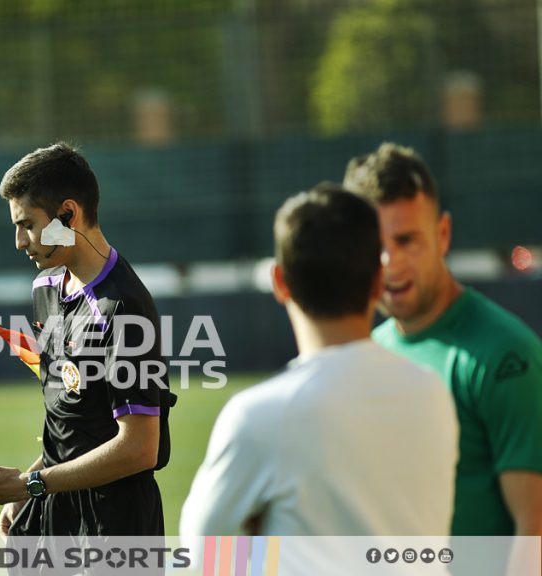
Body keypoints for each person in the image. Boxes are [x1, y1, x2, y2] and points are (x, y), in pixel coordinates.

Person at [179, 185, 459, 537]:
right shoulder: (433, 392)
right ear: (378, 282)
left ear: (280, 283)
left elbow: (204, 553)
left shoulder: (259, 415)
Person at [0, 142, 172, 537]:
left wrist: (30, 486)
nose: (20, 242)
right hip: (55, 504)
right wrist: (30, 487)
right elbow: (73, 422)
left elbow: (139, 449)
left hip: (115, 525)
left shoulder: (121, 307)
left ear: (68, 214)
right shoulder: (46, 288)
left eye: (27, 224)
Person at [344, 143, 542, 537]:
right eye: (377, 247)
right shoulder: (366, 353)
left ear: (443, 234)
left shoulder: (505, 354)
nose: (390, 262)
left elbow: (535, 530)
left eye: (407, 241)